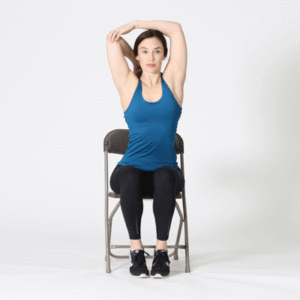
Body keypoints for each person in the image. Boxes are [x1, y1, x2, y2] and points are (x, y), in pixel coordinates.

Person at [106, 20, 187, 278]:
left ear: (165, 55)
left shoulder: (173, 82)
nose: (151, 57)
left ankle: (161, 253)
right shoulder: (129, 84)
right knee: (129, 175)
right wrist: (133, 54)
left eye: (157, 51)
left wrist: (136, 24)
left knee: (164, 176)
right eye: (144, 51)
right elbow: (113, 41)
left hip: (165, 173)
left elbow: (175, 29)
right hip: (130, 174)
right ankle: (137, 250)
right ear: (137, 55)